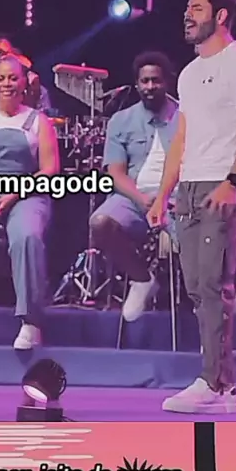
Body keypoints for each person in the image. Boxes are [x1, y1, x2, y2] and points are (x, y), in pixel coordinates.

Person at [148, 0, 236, 414]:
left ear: (220, 15)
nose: (187, 15)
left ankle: (216, 384)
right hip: (190, 188)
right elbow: (181, 137)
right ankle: (219, 383)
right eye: (187, 8)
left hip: (222, 183)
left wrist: (233, 181)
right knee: (197, 287)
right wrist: (163, 193)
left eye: (196, 8)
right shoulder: (189, 73)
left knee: (214, 285)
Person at [0, 54, 59, 349]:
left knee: (27, 237)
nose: (7, 83)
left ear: (24, 83)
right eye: (1, 78)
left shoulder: (38, 121)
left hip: (25, 193)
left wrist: (14, 194)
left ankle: (31, 322)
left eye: (13, 78)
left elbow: (49, 169)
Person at [89, 52, 179, 321]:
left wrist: (168, 199)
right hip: (135, 198)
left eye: (156, 81)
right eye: (144, 81)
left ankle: (206, 299)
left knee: (200, 239)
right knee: (100, 223)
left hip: (177, 199)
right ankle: (141, 280)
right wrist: (141, 199)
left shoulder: (186, 117)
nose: (150, 87)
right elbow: (115, 173)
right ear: (137, 84)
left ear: (167, 82)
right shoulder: (121, 120)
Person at [0, 35, 52, 111]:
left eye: (7, 53)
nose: (3, 58)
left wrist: (33, 100)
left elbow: (45, 116)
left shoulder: (36, 88)